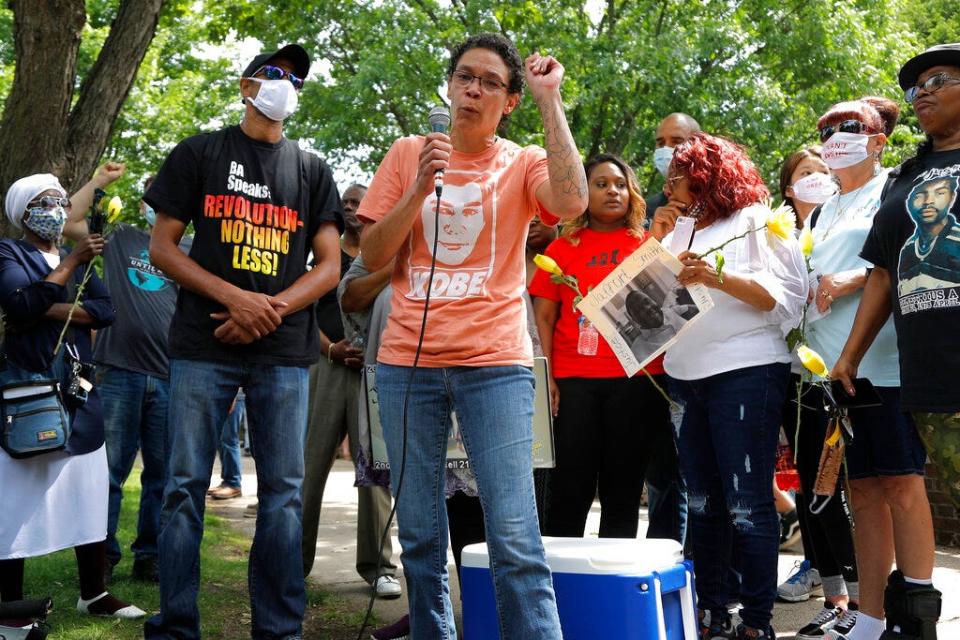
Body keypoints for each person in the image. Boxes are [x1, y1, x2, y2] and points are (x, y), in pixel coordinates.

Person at [356, 32, 587, 639]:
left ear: (507, 100)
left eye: (489, 81)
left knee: (514, 535)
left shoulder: (522, 159)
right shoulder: (409, 152)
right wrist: (416, 189)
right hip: (407, 364)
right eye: (464, 76)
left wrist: (549, 99)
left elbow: (570, 200)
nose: (473, 89)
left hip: (497, 364)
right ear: (450, 85)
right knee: (422, 537)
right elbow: (373, 252)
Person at [142, 43, 344, 640]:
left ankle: (278, 630)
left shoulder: (312, 170)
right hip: (203, 347)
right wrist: (234, 298)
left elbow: (329, 265)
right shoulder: (199, 153)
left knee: (283, 494)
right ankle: (177, 625)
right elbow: (162, 248)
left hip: (282, 353)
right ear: (246, 85)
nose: (286, 86)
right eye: (276, 74)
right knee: (183, 488)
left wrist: (267, 308)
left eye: (297, 81)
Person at [831, 43, 960, 640]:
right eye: (915, 87)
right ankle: (908, 625)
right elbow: (883, 272)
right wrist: (850, 355)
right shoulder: (906, 177)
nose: (923, 92)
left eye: (939, 79)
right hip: (928, 371)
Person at [662, 132, 807, 640]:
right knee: (703, 503)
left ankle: (757, 622)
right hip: (684, 375)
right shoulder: (675, 227)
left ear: (707, 171)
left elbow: (786, 298)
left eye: (677, 169)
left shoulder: (754, 220)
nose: (667, 178)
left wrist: (716, 278)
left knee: (748, 504)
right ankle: (713, 613)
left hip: (745, 372)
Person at [0, 172, 144, 620]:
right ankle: (9, 603)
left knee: (88, 490)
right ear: (24, 212)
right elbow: (16, 305)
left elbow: (106, 311)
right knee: (15, 495)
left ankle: (94, 593)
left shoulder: (76, 260)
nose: (57, 210)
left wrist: (48, 306)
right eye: (46, 202)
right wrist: (68, 265)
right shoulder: (10, 253)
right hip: (29, 393)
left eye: (62, 201)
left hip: (78, 393)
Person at [790, 97, 905, 640]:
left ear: (878, 140)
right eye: (827, 127)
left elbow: (897, 260)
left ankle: (901, 608)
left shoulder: (893, 190)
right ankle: (859, 612)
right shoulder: (823, 207)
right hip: (818, 373)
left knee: (893, 490)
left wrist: (851, 280)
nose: (836, 135)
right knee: (839, 491)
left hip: (875, 366)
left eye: (850, 127)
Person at [530, 153, 671, 540]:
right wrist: (548, 378)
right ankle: (562, 592)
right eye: (601, 184)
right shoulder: (560, 250)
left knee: (622, 492)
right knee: (569, 490)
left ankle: (614, 591)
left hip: (638, 381)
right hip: (574, 381)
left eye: (620, 184)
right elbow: (543, 317)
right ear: (582, 192)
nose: (613, 191)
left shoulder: (648, 243)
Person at [300, 182, 400, 598]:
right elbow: (304, 318)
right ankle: (293, 563)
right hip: (328, 367)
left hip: (376, 373)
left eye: (362, 203)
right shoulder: (325, 258)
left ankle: (379, 567)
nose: (354, 209)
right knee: (310, 466)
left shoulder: (391, 256)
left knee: (377, 469)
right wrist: (334, 350)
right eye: (348, 204)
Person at [90, 174, 190, 584]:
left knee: (162, 475)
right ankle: (102, 555)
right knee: (109, 471)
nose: (158, 204)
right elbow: (73, 221)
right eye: (152, 196)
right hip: (117, 372)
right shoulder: (121, 237)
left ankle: (149, 554)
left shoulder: (191, 251)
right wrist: (99, 181)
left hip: (170, 376)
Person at [647, 112, 702, 238]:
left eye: (676, 141)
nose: (666, 149)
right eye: (660, 143)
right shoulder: (645, 212)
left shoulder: (722, 209)